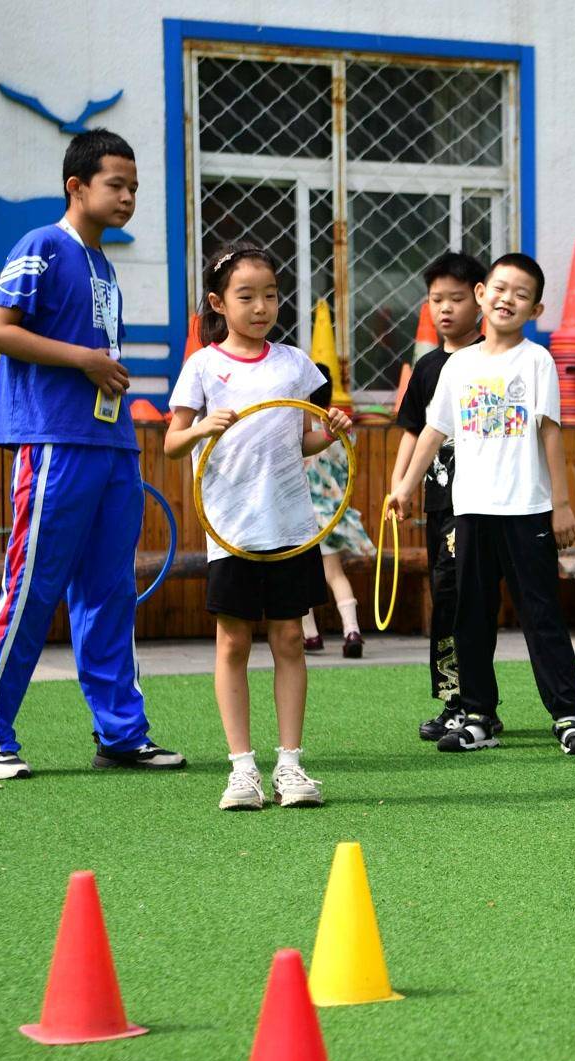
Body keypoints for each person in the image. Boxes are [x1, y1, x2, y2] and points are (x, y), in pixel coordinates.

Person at [0, 129, 184, 780]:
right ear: (77, 186)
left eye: (135, 188)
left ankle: (122, 734)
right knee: (32, 589)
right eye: (117, 184)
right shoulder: (43, 245)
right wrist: (84, 360)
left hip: (113, 446)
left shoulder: (106, 266)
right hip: (55, 444)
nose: (128, 197)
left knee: (111, 591)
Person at [390, 253, 575, 756]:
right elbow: (432, 431)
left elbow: (550, 434)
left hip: (527, 509)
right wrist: (404, 485)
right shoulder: (457, 365)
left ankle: (567, 716)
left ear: (537, 309)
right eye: (501, 288)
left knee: (541, 613)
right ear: (483, 293)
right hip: (470, 512)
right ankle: (478, 714)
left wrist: (562, 504)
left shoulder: (536, 361)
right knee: (472, 616)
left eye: (522, 294)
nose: (508, 298)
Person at [164, 243, 351, 810]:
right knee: (233, 642)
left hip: (291, 521)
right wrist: (200, 430)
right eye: (246, 296)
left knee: (291, 637)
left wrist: (334, 429)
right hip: (230, 527)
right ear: (219, 303)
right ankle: (242, 768)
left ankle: (290, 766)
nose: (261, 305)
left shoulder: (295, 364)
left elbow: (303, 440)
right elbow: (171, 443)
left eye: (270, 294)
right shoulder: (203, 365)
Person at [390, 250, 487, 737]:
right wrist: (398, 486)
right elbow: (412, 432)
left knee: (480, 601)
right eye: (435, 299)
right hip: (441, 504)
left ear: (481, 299)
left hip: (492, 503)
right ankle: (454, 701)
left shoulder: (497, 359)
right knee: (446, 597)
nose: (444, 308)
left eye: (455, 298)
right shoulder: (427, 367)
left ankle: (481, 705)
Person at [299, 436, 374, 657]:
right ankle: (352, 631)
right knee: (335, 574)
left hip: (302, 516)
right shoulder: (338, 432)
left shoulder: (297, 428)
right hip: (331, 514)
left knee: (299, 576)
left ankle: (310, 636)